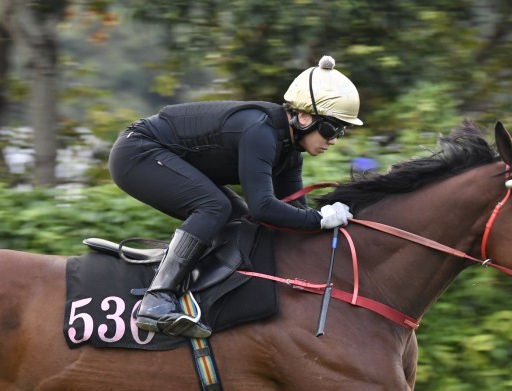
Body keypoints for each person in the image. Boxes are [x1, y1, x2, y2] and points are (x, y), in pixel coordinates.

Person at [108, 55, 363, 339]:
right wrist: (319, 220)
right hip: (138, 151)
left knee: (240, 223)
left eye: (342, 130)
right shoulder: (260, 131)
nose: (334, 139)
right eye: (330, 128)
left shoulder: (289, 153)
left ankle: (198, 296)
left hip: (161, 154)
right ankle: (157, 299)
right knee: (213, 207)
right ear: (304, 117)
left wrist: (331, 219)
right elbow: (264, 207)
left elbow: (291, 215)